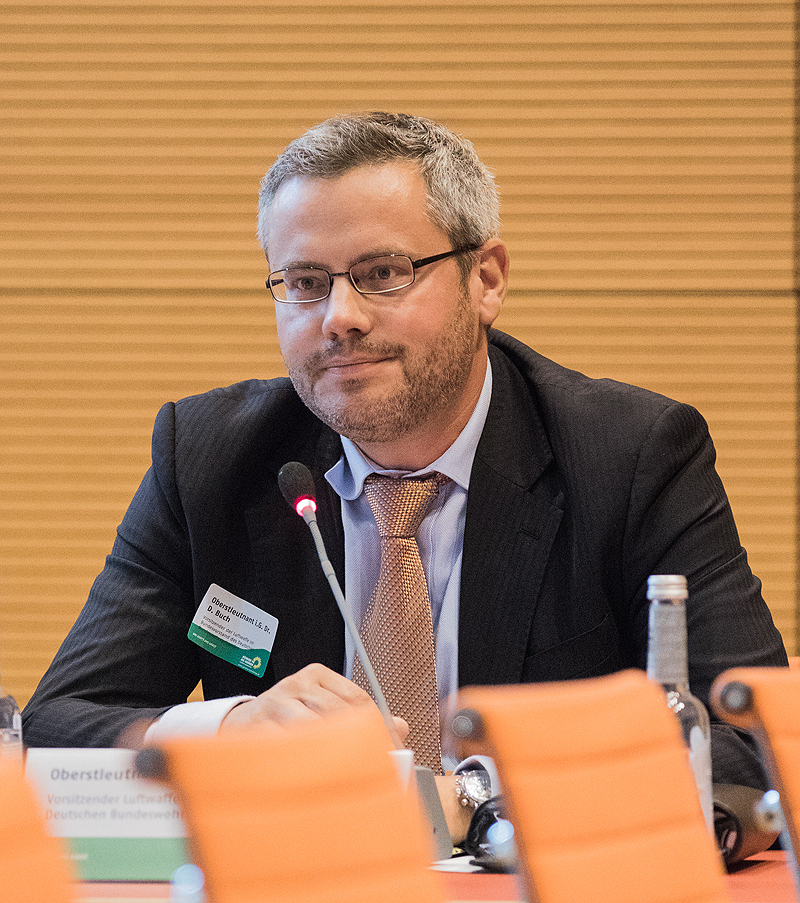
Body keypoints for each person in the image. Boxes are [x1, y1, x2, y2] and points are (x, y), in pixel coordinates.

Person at [23, 112, 787, 855]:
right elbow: (56, 723)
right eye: (306, 281)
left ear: (486, 280)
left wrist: (474, 797)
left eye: (383, 274)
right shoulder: (210, 459)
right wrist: (226, 729)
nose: (340, 317)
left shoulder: (629, 456)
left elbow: (756, 743)